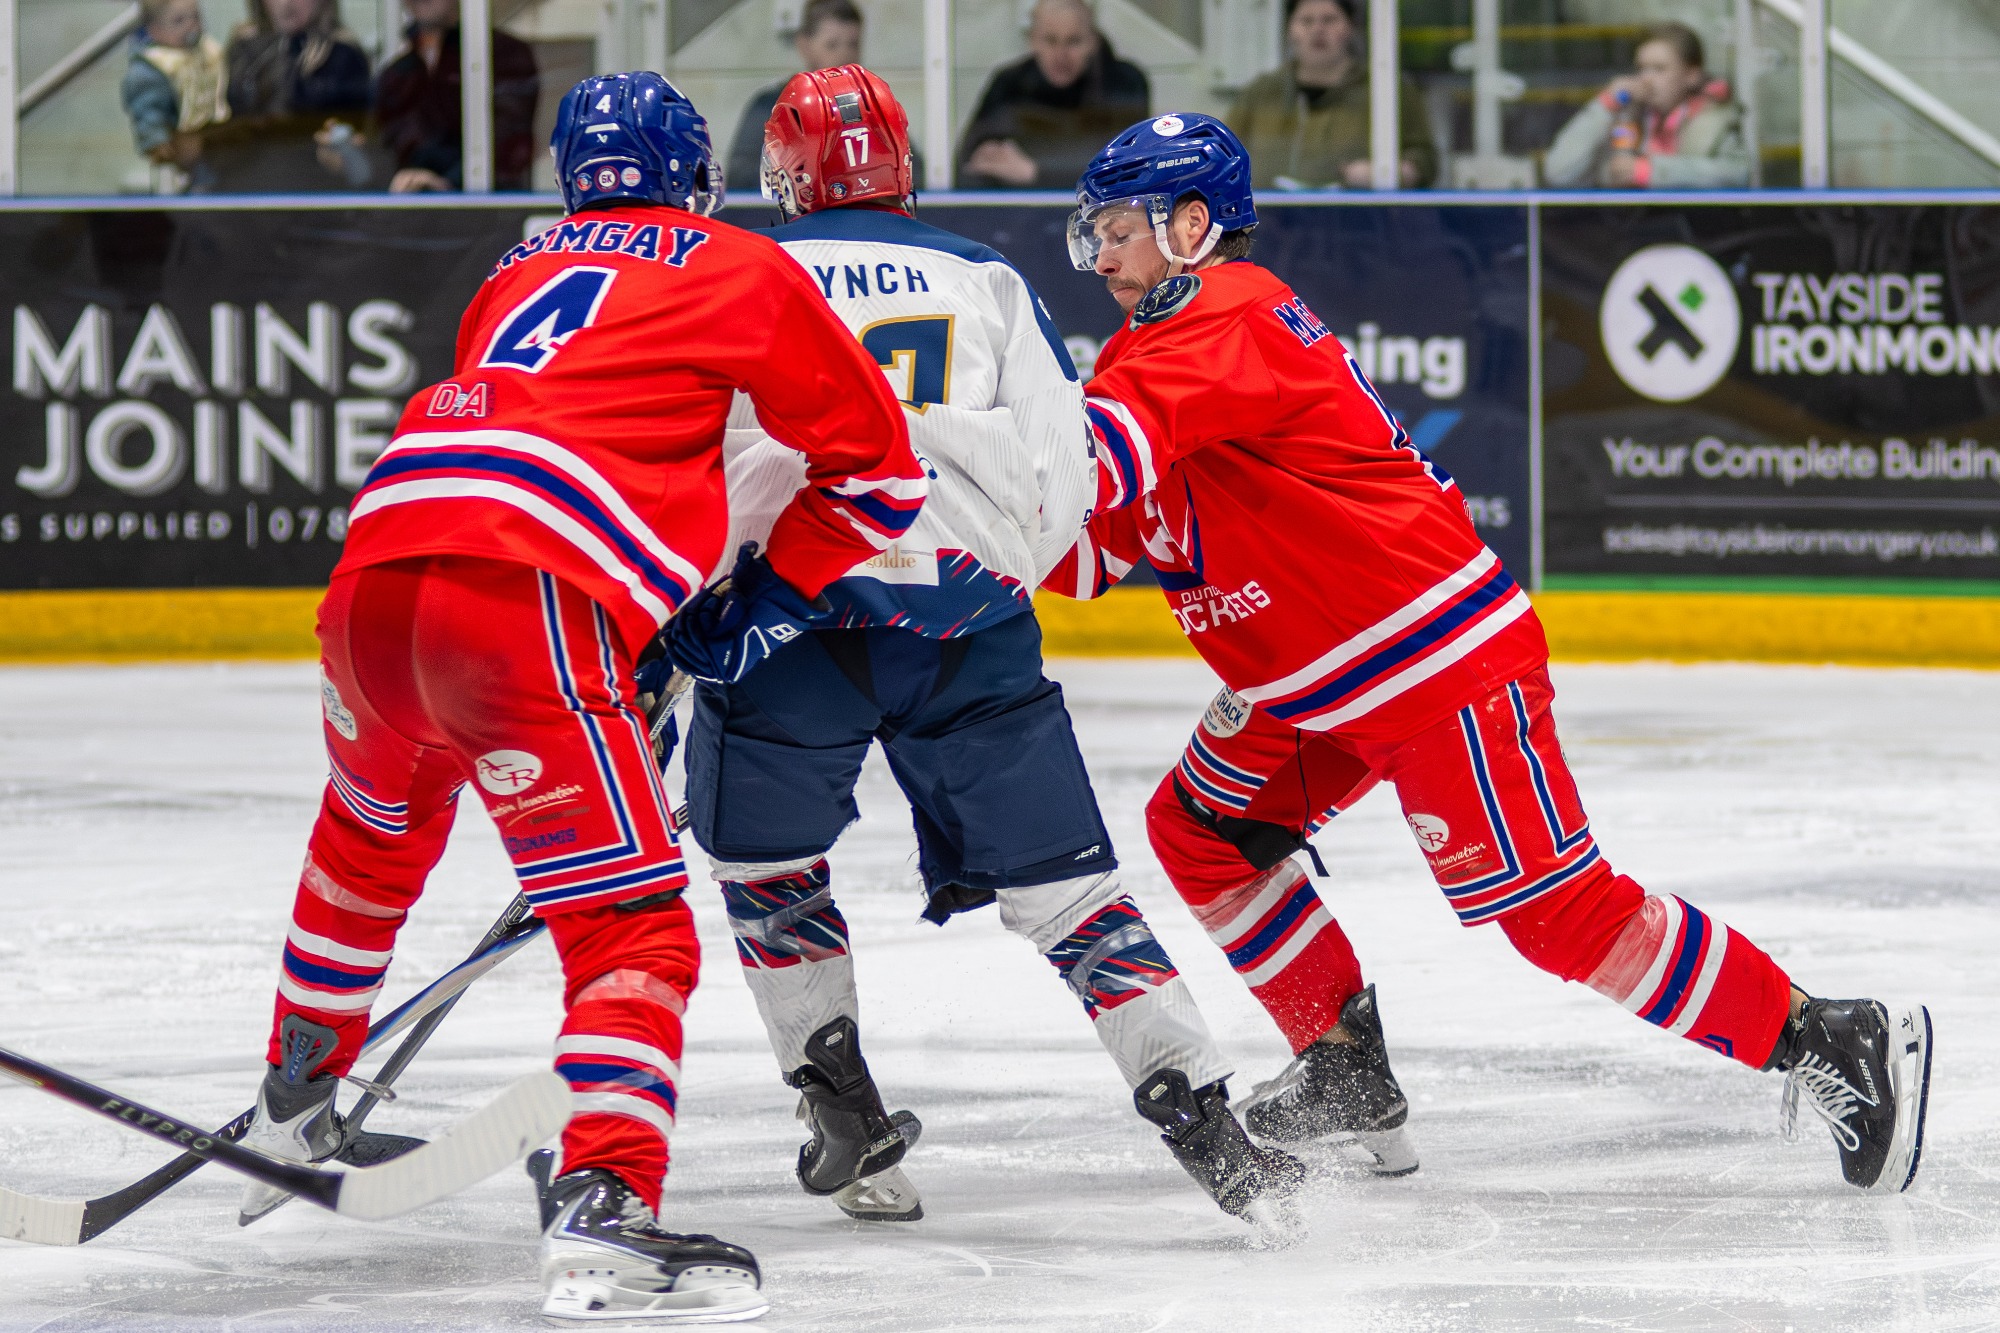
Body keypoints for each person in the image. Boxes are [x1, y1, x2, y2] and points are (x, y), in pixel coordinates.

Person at [1046, 112, 1933, 1198]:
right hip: (1320, 682)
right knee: (1201, 828)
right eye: (1094, 235)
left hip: (1425, 664)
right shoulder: (1152, 348)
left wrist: (945, 442)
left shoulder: (1219, 311)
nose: (1101, 257)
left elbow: (1093, 461)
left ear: (1191, 227)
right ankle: (1343, 1070)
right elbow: (1087, 552)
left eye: (1120, 231)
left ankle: (1825, 1035)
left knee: (1558, 914)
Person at [239, 71, 925, 1324]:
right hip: (524, 605)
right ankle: (606, 1202)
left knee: (367, 842)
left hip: (374, 577)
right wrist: (762, 600)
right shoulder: (735, 262)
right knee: (631, 929)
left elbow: (553, 423)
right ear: (694, 175)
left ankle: (295, 1095)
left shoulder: (513, 270)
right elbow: (881, 478)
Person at [672, 62, 1304, 1233]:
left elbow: (692, 462)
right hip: (966, 623)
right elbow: (1063, 479)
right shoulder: (988, 276)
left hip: (781, 624)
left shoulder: (735, 271)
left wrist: (691, 616)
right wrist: (986, 577)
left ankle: (842, 1109)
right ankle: (1202, 1114)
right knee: (1071, 893)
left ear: (784, 172)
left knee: (767, 871)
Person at [1227, 0, 1435, 190]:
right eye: (1306, 21)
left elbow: (1425, 162)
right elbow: (1223, 154)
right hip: (1269, 216)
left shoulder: (1386, 90)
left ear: (1350, 28)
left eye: (1329, 20)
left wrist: (1385, 173)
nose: (1318, 29)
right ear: (1290, 30)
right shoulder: (1260, 93)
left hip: (1359, 216)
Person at [957, 0, 1148, 189]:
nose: (1060, 56)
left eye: (1073, 41)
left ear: (1092, 42)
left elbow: (1126, 168)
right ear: (1032, 41)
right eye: (1050, 40)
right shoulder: (1009, 84)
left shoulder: (1125, 83)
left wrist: (1033, 172)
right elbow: (966, 166)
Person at [1544, 21, 1750, 189]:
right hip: (1626, 222)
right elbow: (1559, 173)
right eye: (1642, 69)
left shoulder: (1714, 117)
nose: (1646, 79)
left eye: (1659, 69)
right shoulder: (1625, 115)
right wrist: (1605, 105)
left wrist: (1651, 172)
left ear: (1691, 76)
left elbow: (1737, 174)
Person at [375, 0, 541, 192]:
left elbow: (510, 141)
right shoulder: (396, 74)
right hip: (412, 202)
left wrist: (448, 182)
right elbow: (391, 145)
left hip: (492, 203)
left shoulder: (503, 54)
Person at [214, 0, 372, 191]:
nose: (286, 4)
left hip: (311, 186)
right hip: (247, 182)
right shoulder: (247, 48)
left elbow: (353, 143)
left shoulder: (342, 55)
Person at [725, 0, 862, 195]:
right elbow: (739, 178)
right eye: (831, 45)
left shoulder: (868, 108)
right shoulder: (771, 106)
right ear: (804, 46)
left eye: (853, 45)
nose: (844, 56)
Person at [121, 0, 232, 194]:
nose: (191, 25)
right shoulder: (152, 68)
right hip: (178, 145)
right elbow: (147, 109)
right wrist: (156, 140)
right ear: (156, 31)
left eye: (196, 17)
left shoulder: (204, 52)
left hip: (213, 139)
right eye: (179, 21)